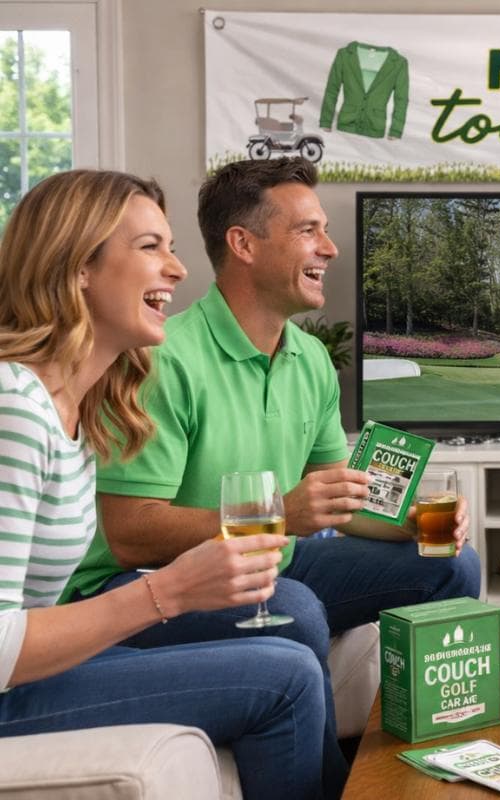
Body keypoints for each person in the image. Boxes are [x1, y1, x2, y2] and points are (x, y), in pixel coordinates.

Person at [65, 158, 481, 732]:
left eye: (325, 231)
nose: (329, 249)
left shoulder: (309, 358)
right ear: (244, 244)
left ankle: (428, 749)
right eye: (308, 231)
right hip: (148, 582)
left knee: (451, 564)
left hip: (271, 561)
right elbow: (129, 533)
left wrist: (410, 520)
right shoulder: (160, 359)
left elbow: (338, 501)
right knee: (294, 608)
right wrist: (281, 515)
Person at [0, 169, 341, 799]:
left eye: (173, 247)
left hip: (41, 667)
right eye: (150, 247)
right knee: (287, 672)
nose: (179, 271)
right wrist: (170, 591)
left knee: (290, 656)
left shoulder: (81, 403)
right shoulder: (14, 408)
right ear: (79, 266)